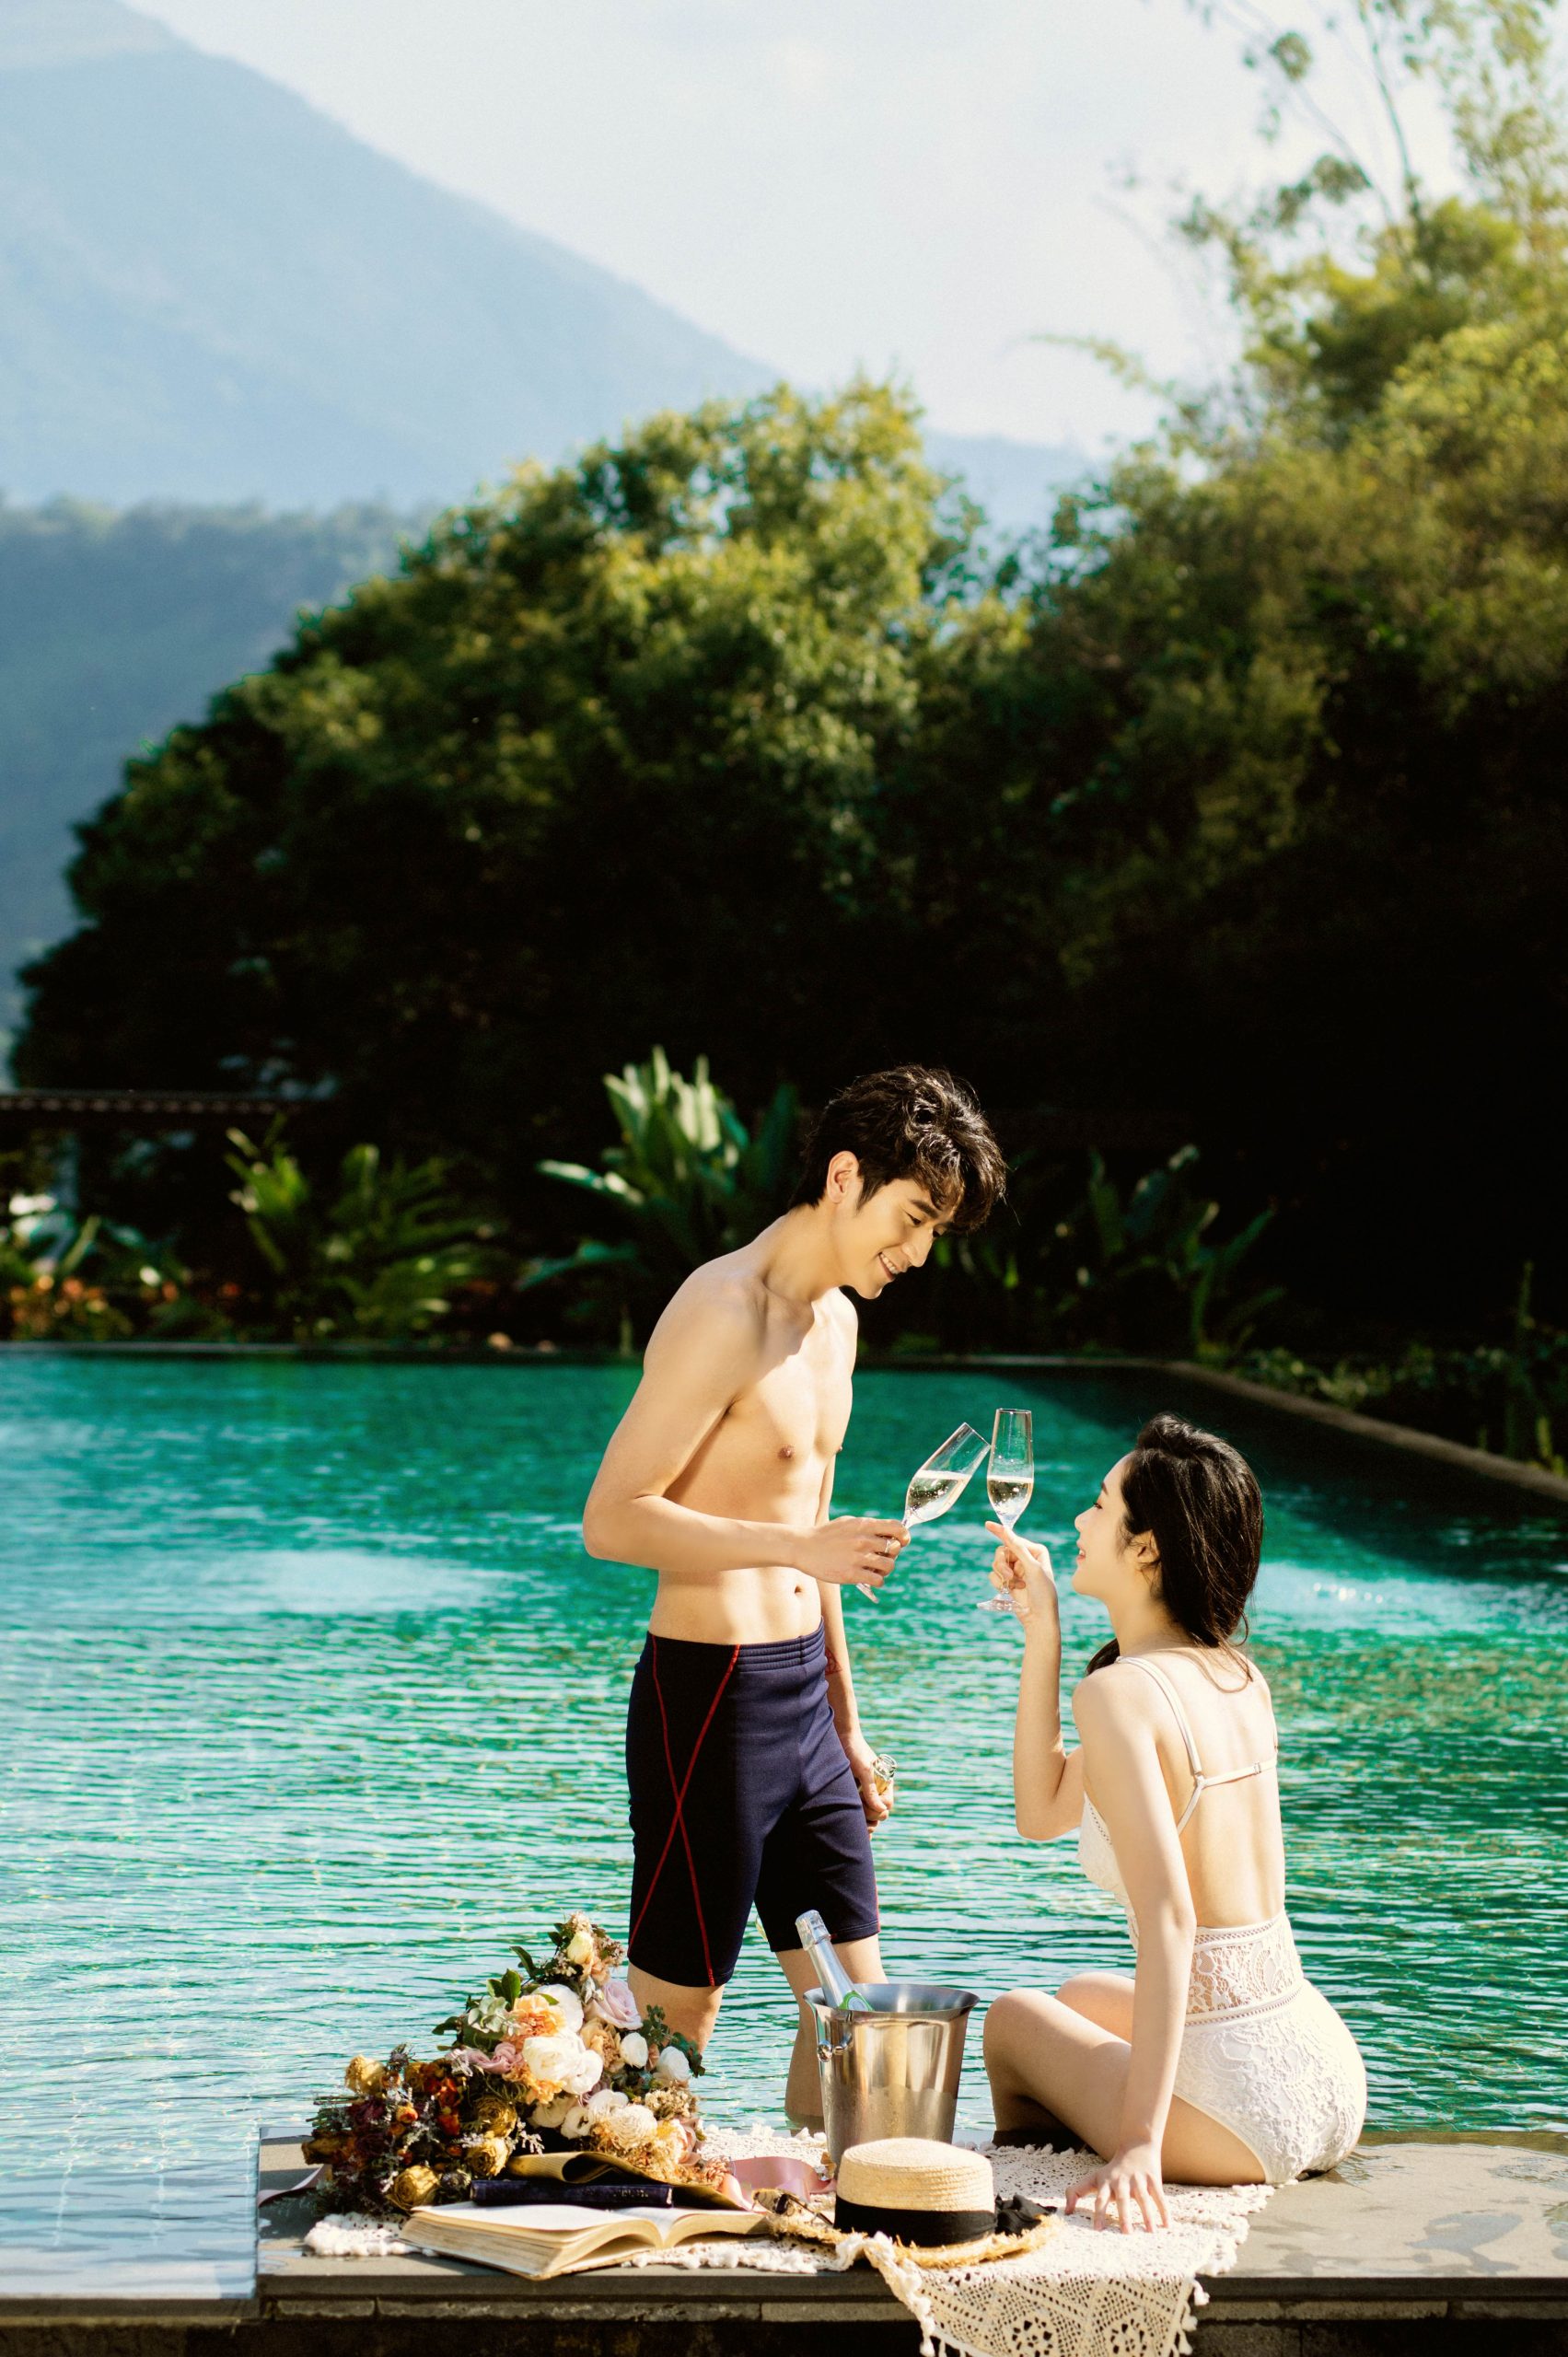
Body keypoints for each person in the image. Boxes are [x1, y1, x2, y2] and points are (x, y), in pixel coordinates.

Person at [582, 1065, 1006, 2120]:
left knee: (861, 2022)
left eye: (933, 1234)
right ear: (844, 1176)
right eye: (910, 1220)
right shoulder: (722, 1308)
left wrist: (846, 1728)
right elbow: (612, 1518)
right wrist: (795, 1547)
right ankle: (623, 2195)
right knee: (674, 2026)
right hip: (709, 1703)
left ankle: (826, 2201)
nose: (915, 1254)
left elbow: (814, 1551)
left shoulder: (837, 1326)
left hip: (804, 1702)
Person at [981, 1413, 1365, 2230]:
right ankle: (1120, 2120)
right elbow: (1042, 1811)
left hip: (1243, 2118)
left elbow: (1169, 1922)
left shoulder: (1120, 1695)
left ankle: (1048, 2181)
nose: (1078, 1522)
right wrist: (1042, 1630)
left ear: (1147, 1548)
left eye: (1099, 1505)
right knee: (1078, 1996)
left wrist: (1138, 2147)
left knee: (1012, 2022)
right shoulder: (1234, 1674)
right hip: (1325, 2073)